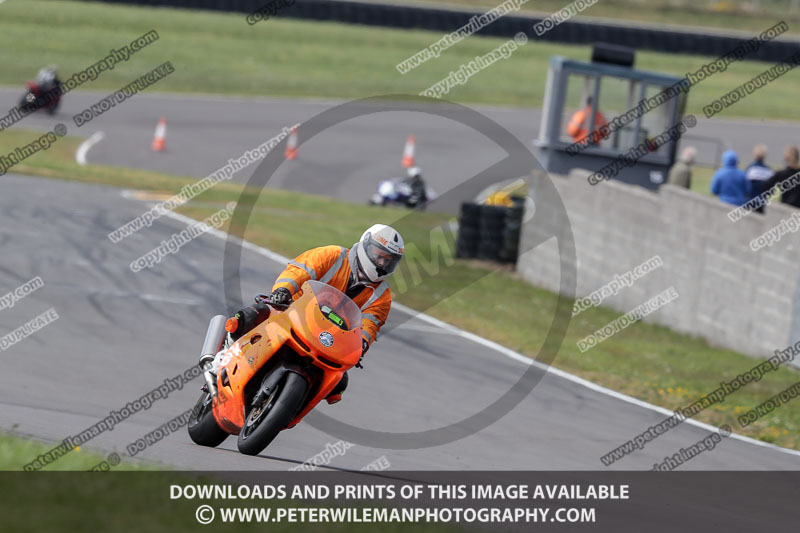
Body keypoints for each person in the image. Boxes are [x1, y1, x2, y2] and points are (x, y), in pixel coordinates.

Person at [228, 224, 404, 404]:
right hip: (291, 313)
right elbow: (300, 271)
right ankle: (224, 354)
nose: (383, 263)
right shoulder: (333, 255)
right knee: (252, 315)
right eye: (379, 256)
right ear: (366, 245)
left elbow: (371, 323)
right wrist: (283, 290)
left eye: (389, 260)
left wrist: (363, 343)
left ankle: (292, 408)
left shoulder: (382, 295)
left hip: (329, 339)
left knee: (338, 383)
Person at [744, 144, 774, 213]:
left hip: (749, 202)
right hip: (763, 204)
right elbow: (772, 190)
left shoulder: (750, 169)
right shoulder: (769, 171)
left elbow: (745, 186)